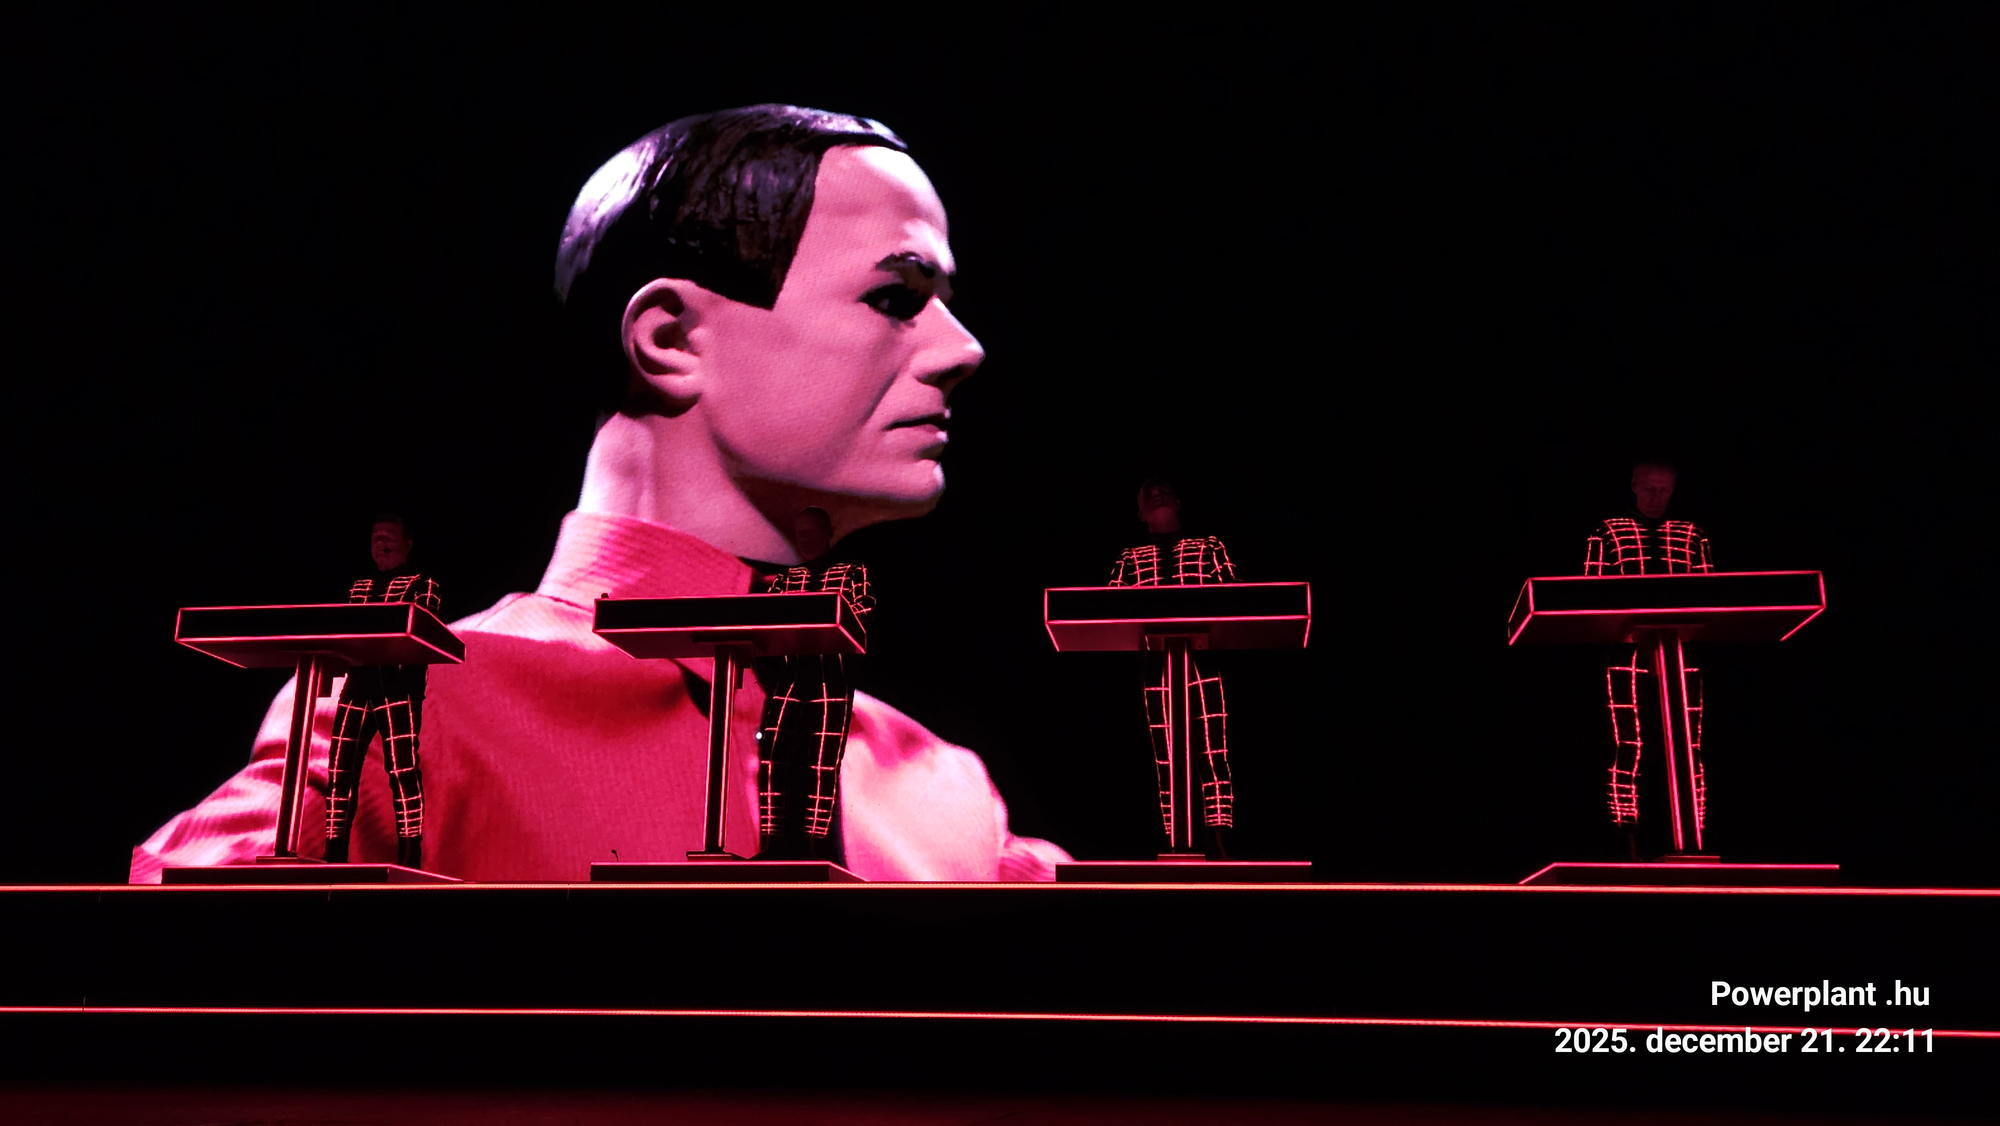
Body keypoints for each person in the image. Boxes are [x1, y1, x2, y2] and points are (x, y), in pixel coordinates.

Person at [131, 104, 1069, 883]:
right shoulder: (419, 712)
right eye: (896, 297)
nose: (964, 349)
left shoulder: (947, 797)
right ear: (670, 338)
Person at [1585, 460, 1715, 860]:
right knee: (1629, 742)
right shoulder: (1607, 532)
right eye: (1649, 488)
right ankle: (1627, 838)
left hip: (1683, 652)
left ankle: (1693, 836)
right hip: (1624, 651)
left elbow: (1713, 594)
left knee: (1689, 744)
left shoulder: (1692, 534)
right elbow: (1589, 594)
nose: (1656, 497)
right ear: (1634, 486)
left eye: (1664, 489)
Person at [1107, 478, 1237, 859]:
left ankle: (1220, 837)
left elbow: (1236, 596)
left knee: (1213, 748)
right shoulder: (1130, 558)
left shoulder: (1208, 547)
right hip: (1156, 667)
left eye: (1162, 488)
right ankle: (1176, 839)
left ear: (1179, 502)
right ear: (1139, 513)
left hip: (1204, 660)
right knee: (1165, 755)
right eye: (1147, 492)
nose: (1156, 492)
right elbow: (1110, 607)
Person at [752, 507, 870, 860]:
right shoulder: (785, 581)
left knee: (822, 764)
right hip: (790, 680)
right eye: (800, 533)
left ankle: (816, 846)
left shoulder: (850, 574)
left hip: (829, 680)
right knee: (774, 758)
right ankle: (773, 843)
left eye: (812, 532)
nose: (805, 539)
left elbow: (859, 615)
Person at [326, 515, 439, 869]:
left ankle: (410, 855)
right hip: (357, 687)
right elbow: (339, 633)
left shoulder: (422, 584)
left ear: (408, 544)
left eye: (389, 536)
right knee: (339, 772)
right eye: (376, 536)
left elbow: (423, 628)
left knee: (403, 770)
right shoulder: (356, 588)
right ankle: (334, 854)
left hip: (398, 687)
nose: (381, 541)